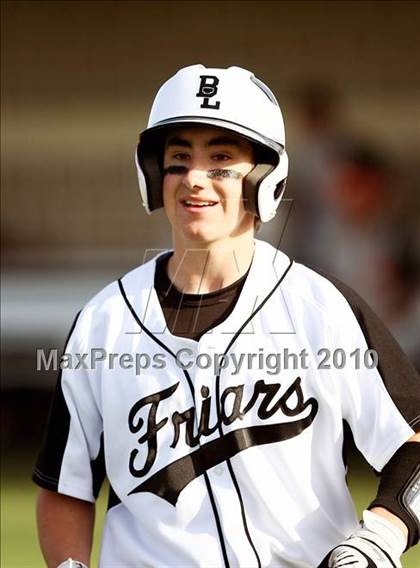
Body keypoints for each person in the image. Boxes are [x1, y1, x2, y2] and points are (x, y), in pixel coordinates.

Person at [33, 65, 420, 568]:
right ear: (154, 174)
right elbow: (66, 486)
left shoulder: (318, 308)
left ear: (263, 178)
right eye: (178, 159)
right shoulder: (103, 323)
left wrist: (379, 538)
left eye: (220, 160)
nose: (195, 178)